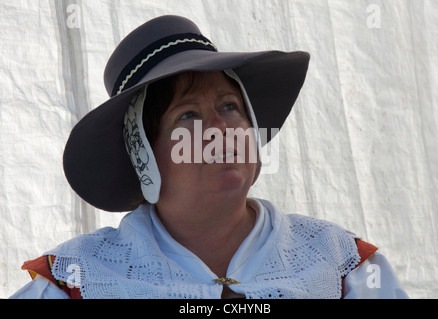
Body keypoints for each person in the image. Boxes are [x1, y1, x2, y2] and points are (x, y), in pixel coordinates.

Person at [10, 15, 407, 299]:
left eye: (231, 106)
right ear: (144, 154)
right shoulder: (77, 280)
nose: (221, 128)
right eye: (189, 114)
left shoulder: (345, 267)